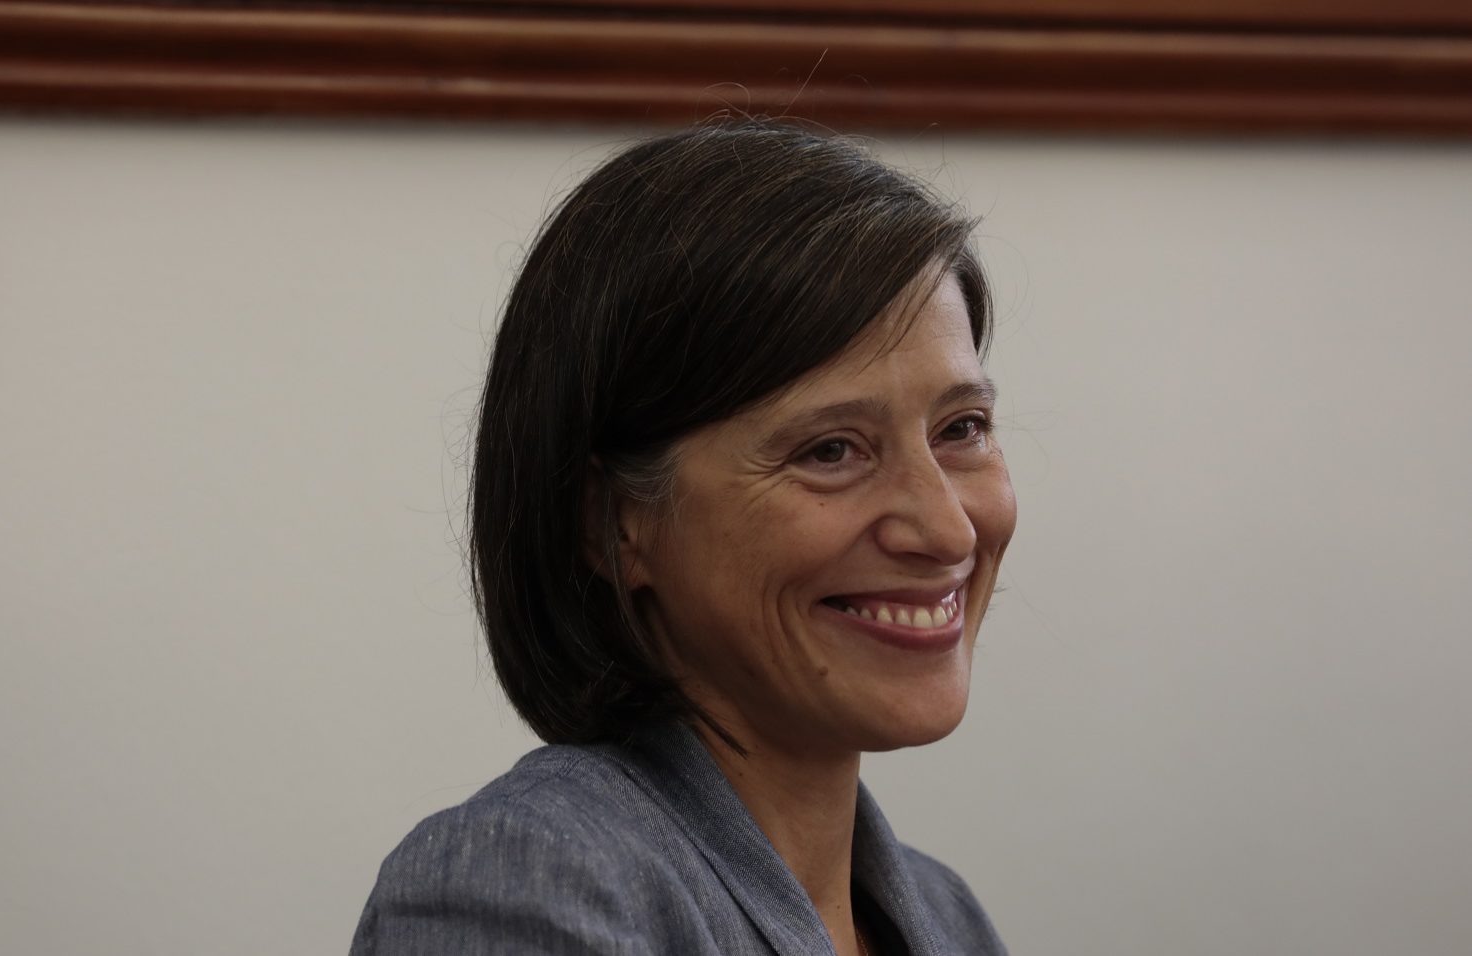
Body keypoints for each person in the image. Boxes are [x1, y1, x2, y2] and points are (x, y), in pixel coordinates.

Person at [351, 119, 1017, 956]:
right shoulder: (522, 885)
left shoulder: (950, 919)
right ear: (612, 521)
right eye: (830, 451)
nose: (947, 529)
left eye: (962, 428)